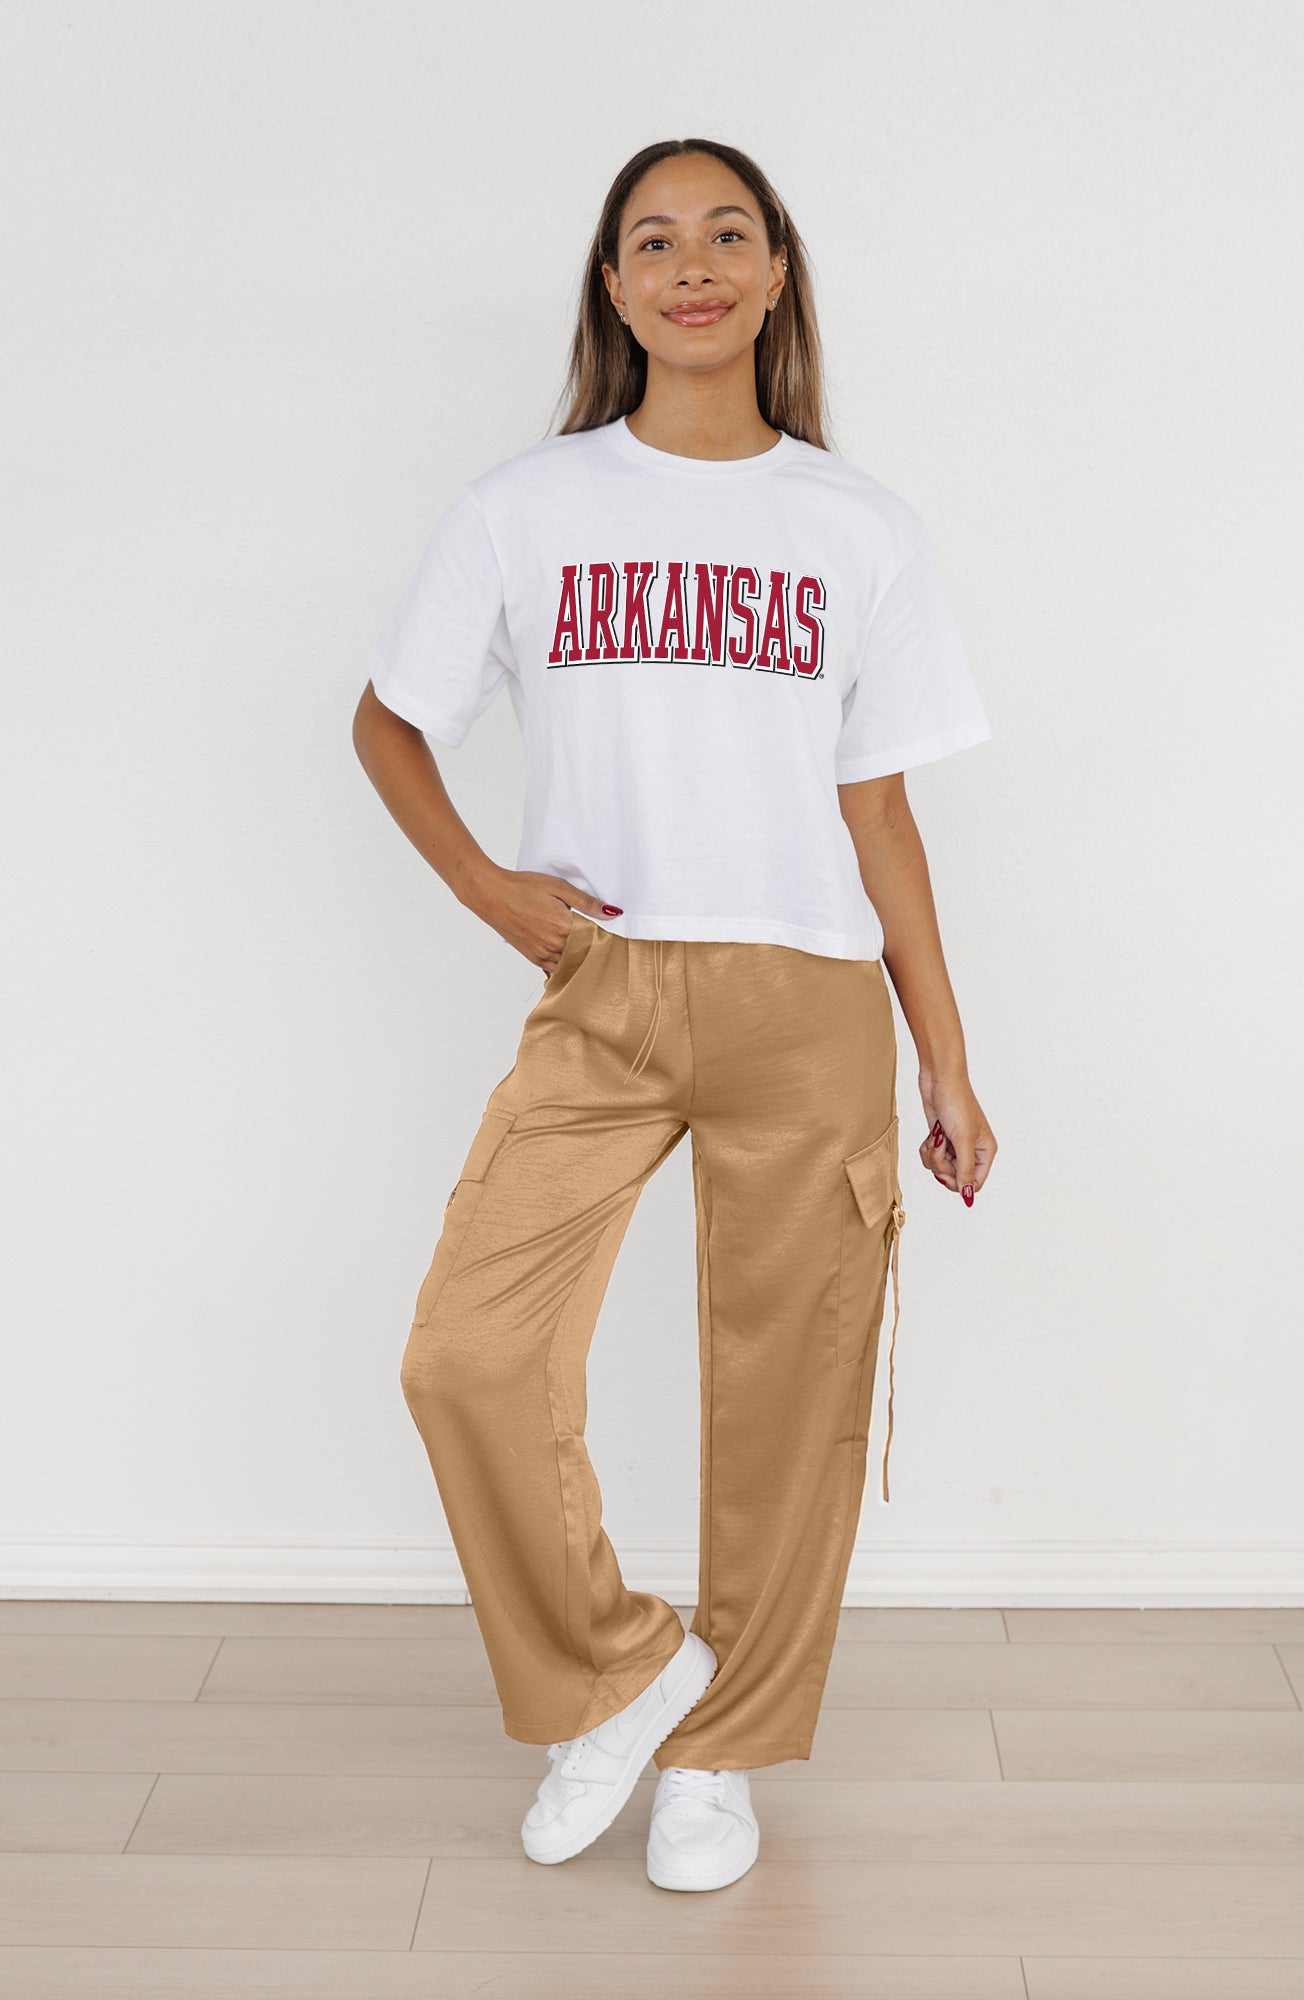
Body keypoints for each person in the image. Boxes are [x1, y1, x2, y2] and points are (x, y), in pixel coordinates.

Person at [352, 136, 998, 1895]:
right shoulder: (525, 507)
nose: (691, 265)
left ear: (775, 274)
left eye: (726, 235)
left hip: (809, 991)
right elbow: (389, 719)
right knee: (468, 1356)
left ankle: (720, 1758)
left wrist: (944, 1059)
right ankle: (627, 1673)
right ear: (615, 287)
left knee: (790, 1396)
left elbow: (879, 810)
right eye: (654, 240)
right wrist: (487, 887)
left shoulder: (858, 526)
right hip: (604, 990)